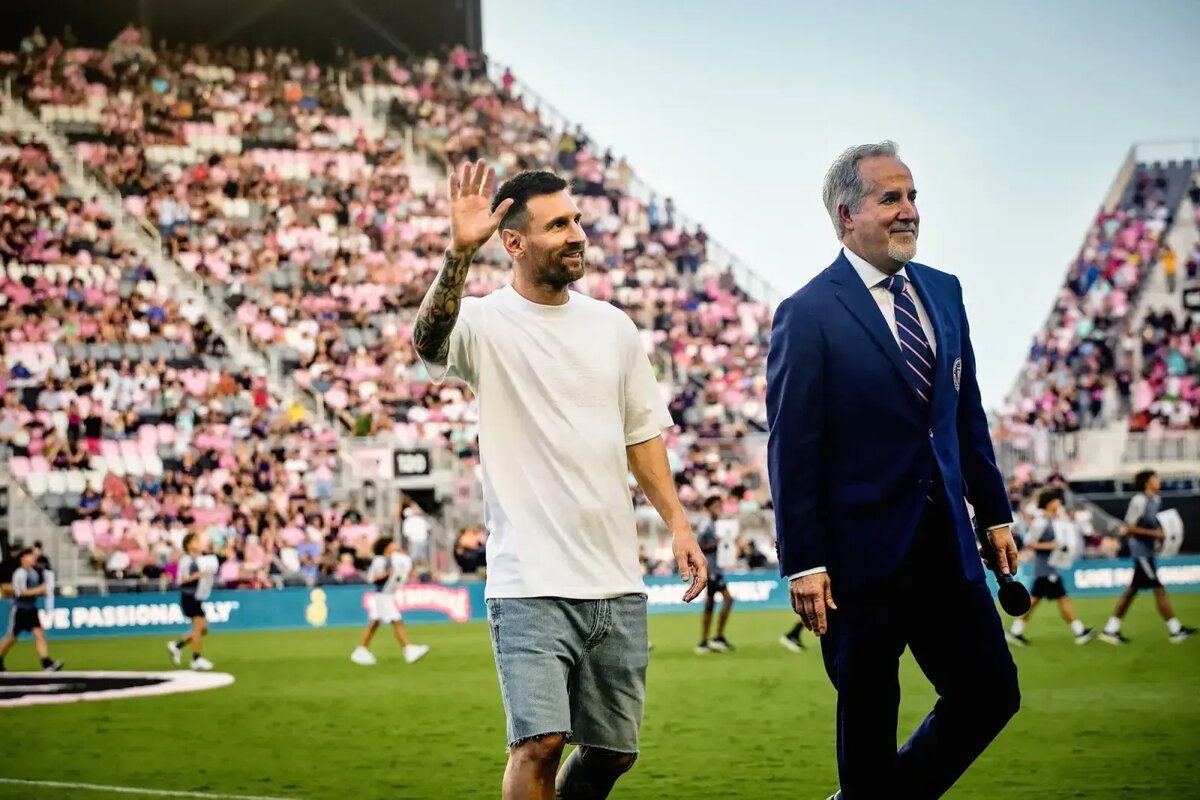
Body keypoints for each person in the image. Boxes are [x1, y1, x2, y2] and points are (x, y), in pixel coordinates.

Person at [412, 161, 707, 800]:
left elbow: (641, 436)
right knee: (539, 744)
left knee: (613, 754)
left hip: (615, 580)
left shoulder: (613, 327)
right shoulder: (484, 322)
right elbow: (428, 341)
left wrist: (678, 524)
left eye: (575, 220)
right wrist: (458, 256)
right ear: (513, 243)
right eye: (556, 225)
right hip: (529, 581)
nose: (576, 234)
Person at [767, 141, 1021, 799]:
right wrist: (804, 561)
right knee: (869, 726)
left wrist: (994, 512)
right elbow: (793, 448)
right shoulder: (807, 313)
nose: (909, 210)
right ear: (847, 214)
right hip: (856, 562)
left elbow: (965, 412)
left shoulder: (944, 290)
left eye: (911, 196)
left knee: (991, 693)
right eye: (890, 198)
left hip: (946, 548)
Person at [1100, 470, 1196, 645]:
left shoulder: (1156, 500)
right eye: (1155, 478)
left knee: (1131, 591)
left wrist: (1159, 536)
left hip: (1148, 551)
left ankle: (1110, 629)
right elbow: (1129, 527)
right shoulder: (1139, 500)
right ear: (1147, 482)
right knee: (1158, 588)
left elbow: (1150, 525)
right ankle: (1175, 630)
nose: (1158, 481)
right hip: (1140, 552)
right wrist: (1154, 534)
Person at [1006, 488, 1095, 646]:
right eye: (1056, 500)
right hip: (1045, 567)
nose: (1059, 503)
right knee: (1062, 598)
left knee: (1036, 600)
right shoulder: (1041, 522)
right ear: (1049, 503)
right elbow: (1029, 543)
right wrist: (1051, 545)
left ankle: (1015, 631)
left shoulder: (1055, 521)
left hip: (1050, 566)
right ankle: (1079, 631)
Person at [350, 537, 429, 666]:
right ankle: (408, 649)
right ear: (386, 547)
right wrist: (386, 574)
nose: (394, 545)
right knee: (396, 620)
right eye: (391, 543)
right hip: (382, 595)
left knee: (374, 623)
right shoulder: (379, 561)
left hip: (387, 595)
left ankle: (361, 650)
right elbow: (371, 578)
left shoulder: (396, 559)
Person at [0, 547, 64, 672]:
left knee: (39, 634)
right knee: (11, 637)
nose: (34, 558)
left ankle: (46, 662)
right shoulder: (20, 573)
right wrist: (39, 590)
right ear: (23, 558)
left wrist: (43, 592)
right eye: (31, 556)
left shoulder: (34, 573)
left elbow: (37, 590)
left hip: (31, 609)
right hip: (20, 609)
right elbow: (19, 593)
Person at [167, 533, 215, 671]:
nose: (198, 543)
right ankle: (196, 659)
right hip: (189, 597)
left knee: (203, 629)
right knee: (198, 628)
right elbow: (180, 580)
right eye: (195, 541)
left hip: (196, 596)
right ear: (188, 545)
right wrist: (197, 575)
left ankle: (177, 646)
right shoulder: (185, 560)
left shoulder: (198, 558)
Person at [696, 495, 735, 653]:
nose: (719, 508)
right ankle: (717, 637)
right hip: (710, 569)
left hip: (716, 568)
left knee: (710, 604)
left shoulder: (718, 524)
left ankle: (705, 641)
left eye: (720, 505)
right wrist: (716, 544)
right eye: (715, 505)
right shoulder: (706, 525)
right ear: (708, 508)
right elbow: (699, 546)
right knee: (728, 599)